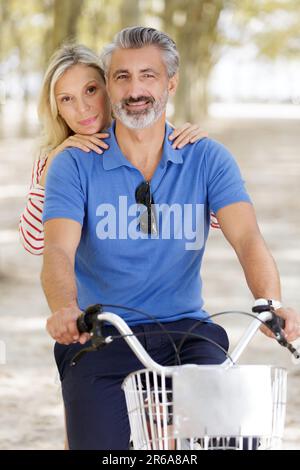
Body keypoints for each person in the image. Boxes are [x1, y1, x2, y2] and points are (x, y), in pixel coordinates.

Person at [41, 27, 300, 450]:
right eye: (122, 76)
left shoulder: (207, 156)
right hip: (102, 333)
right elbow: (57, 249)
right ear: (109, 85)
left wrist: (268, 302)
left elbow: (247, 237)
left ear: (171, 83)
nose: (135, 88)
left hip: (188, 332)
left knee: (226, 439)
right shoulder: (74, 163)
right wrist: (65, 309)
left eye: (149, 75)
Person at [19, 44, 213, 256]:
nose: (82, 108)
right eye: (67, 99)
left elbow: (213, 219)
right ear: (58, 111)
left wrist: (199, 157)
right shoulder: (53, 160)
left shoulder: (160, 143)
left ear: (110, 88)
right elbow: (34, 244)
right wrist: (51, 168)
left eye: (90, 90)